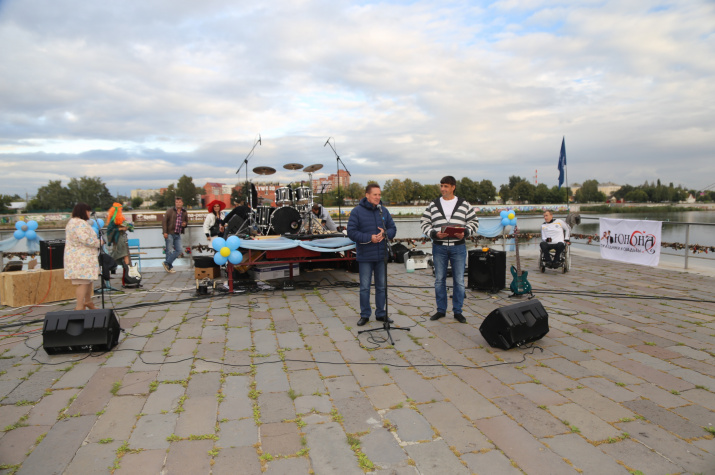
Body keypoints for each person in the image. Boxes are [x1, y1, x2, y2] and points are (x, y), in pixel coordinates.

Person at [420, 176, 479, 323]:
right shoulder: (433, 204)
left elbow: (474, 222)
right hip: (439, 247)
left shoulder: (464, 204)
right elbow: (424, 222)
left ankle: (458, 311)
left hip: (458, 247)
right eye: (441, 186)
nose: (443, 189)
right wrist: (434, 234)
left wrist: (465, 232)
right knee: (439, 280)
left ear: (453, 187)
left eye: (446, 186)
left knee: (459, 281)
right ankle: (441, 310)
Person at [347, 184, 397, 327]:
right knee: (365, 287)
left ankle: (381, 313)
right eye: (375, 194)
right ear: (367, 195)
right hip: (365, 256)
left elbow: (393, 228)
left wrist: (385, 234)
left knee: (381, 287)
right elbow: (351, 232)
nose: (378, 197)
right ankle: (365, 315)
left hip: (381, 255)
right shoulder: (356, 211)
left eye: (379, 194)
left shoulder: (383, 211)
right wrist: (370, 238)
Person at [64, 202, 100, 311]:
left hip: (78, 256)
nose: (89, 213)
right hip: (81, 258)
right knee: (83, 282)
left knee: (88, 280)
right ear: (83, 211)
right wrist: (99, 243)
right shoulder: (79, 223)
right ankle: (79, 306)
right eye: (88, 211)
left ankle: (88, 301)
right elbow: (85, 239)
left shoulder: (72, 222)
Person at [162, 196, 188, 273]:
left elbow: (186, 222)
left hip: (178, 233)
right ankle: (169, 267)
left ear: (182, 203)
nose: (178, 203)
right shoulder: (170, 211)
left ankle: (166, 263)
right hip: (169, 233)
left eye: (179, 202)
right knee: (169, 251)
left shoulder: (184, 212)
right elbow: (164, 221)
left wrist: (185, 224)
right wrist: (165, 232)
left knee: (179, 250)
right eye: (176, 202)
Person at [106, 202, 132, 269]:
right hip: (118, 239)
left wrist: (128, 227)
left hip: (123, 238)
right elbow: (110, 230)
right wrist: (120, 229)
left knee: (125, 254)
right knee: (124, 254)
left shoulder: (121, 219)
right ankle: (127, 270)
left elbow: (129, 228)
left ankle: (126, 270)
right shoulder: (113, 220)